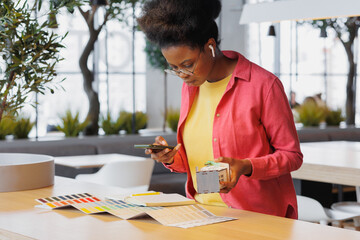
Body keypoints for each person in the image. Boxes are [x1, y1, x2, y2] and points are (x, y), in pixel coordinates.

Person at [137, 0, 303, 219]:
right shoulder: (191, 89)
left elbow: (292, 156)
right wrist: (169, 157)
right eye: (174, 68)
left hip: (255, 216)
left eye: (187, 64)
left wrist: (245, 166)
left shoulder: (263, 85)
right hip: (202, 213)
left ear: (210, 47)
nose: (183, 75)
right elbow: (199, 161)